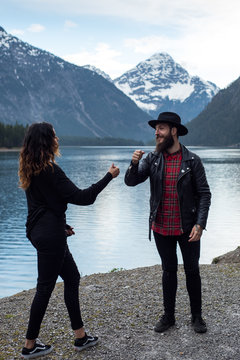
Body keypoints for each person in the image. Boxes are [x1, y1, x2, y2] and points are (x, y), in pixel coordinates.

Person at [18, 122, 120, 359]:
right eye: (54, 135)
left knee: (72, 278)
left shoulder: (30, 168)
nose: (57, 138)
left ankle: (81, 336)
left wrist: (60, 225)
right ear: (46, 140)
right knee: (44, 288)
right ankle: (29, 345)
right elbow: (83, 198)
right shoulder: (51, 170)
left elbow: (42, 205)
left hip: (40, 231)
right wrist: (108, 177)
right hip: (50, 237)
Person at [124, 112, 211, 334]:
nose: (156, 133)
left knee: (192, 271)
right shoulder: (152, 159)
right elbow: (132, 181)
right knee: (168, 270)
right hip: (161, 227)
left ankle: (197, 317)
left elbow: (204, 195)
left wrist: (199, 224)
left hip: (187, 228)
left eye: (161, 128)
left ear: (174, 131)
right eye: (156, 129)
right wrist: (133, 165)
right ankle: (169, 316)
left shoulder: (192, 161)